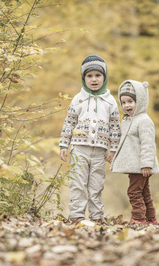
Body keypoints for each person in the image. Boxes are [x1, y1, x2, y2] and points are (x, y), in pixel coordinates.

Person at [59, 55, 121, 224]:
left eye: (98, 75)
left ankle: (97, 216)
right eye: (89, 76)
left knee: (96, 185)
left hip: (100, 151)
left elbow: (115, 127)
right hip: (79, 149)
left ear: (104, 77)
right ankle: (77, 216)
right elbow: (69, 123)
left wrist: (113, 149)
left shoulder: (110, 102)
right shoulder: (78, 99)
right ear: (83, 78)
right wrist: (64, 144)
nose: (94, 79)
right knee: (77, 183)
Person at [110, 80, 159, 225]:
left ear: (140, 101)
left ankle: (138, 218)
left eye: (130, 101)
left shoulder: (144, 121)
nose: (127, 105)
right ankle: (151, 219)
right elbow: (125, 143)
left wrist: (146, 164)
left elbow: (148, 144)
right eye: (123, 102)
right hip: (135, 166)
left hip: (141, 166)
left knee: (134, 192)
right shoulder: (127, 120)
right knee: (144, 193)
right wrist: (114, 157)